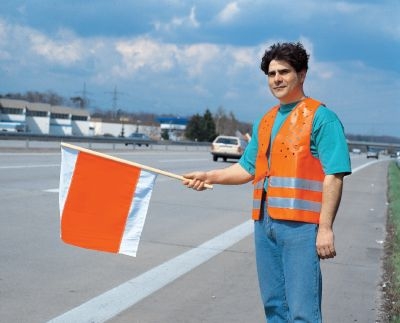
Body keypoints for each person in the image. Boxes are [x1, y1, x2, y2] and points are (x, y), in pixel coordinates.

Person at [182, 42, 351, 322]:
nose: (277, 79)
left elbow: (334, 175)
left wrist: (325, 228)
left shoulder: (322, 118)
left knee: (302, 312)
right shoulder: (267, 120)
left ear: (302, 74)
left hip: (300, 227)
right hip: (265, 223)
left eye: (284, 72)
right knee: (274, 307)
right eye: (271, 74)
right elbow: (247, 169)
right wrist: (208, 176)